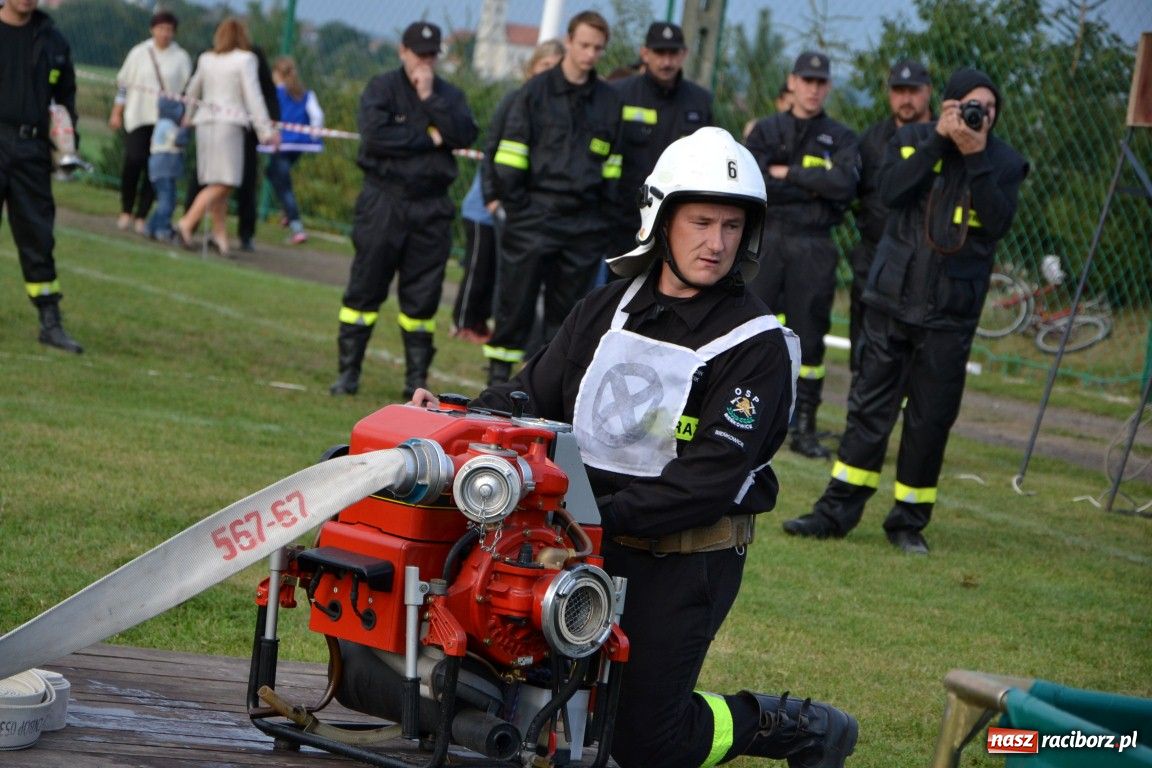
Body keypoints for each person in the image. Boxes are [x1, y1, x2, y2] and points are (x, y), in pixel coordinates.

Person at [411, 127, 857, 768]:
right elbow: (531, 394)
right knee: (502, 674)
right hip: (580, 542)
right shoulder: (607, 307)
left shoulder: (756, 345)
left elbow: (706, 481)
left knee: (646, 742)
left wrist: (586, 522)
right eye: (701, 222)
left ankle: (789, 726)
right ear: (662, 219)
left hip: (680, 562)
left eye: (733, 226)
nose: (717, 243)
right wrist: (456, 415)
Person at [783, 67, 1029, 554]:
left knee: (929, 420)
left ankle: (907, 522)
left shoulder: (1004, 161)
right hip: (892, 303)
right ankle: (835, 512)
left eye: (990, 109)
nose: (981, 116)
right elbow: (891, 191)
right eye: (970, 106)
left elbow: (998, 222)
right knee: (867, 412)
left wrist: (975, 156)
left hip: (950, 315)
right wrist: (939, 143)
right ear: (948, 107)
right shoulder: (914, 140)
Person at [329, 21, 478, 398]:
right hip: (384, 200)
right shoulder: (382, 88)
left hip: (431, 206)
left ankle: (416, 382)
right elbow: (376, 138)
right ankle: (348, 374)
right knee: (365, 288)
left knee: (422, 298)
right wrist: (429, 137)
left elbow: (464, 134)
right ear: (403, 51)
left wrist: (430, 100)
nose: (425, 61)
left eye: (431, 55)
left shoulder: (448, 95)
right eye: (419, 53)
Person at [483, 10, 623, 386]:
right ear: (568, 42)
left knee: (568, 316)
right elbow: (510, 152)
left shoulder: (609, 101)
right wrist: (517, 205)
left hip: (584, 223)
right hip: (534, 214)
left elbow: (613, 164)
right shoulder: (536, 91)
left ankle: (545, 386)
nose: (591, 54)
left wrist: (601, 216)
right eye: (584, 45)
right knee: (515, 304)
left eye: (598, 48)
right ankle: (498, 380)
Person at [744, 51, 858, 460]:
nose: (812, 88)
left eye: (820, 81)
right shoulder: (765, 130)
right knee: (751, 327)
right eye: (806, 80)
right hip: (769, 238)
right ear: (792, 82)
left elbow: (844, 185)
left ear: (827, 86)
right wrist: (813, 185)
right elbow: (754, 179)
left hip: (814, 244)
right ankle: (741, 412)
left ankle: (804, 426)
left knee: (810, 337)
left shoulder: (841, 137)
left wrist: (786, 173)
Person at [453, 39, 565, 345]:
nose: (549, 74)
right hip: (487, 208)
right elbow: (493, 151)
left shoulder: (558, 109)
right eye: (545, 66)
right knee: (479, 268)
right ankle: (464, 322)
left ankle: (493, 327)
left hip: (519, 211)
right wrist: (492, 198)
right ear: (531, 68)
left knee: (505, 276)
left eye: (556, 69)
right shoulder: (517, 100)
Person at [0, 0, 83, 353]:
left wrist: (67, 144)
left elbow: (65, 99)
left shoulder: (53, 40)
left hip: (31, 150)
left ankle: (50, 322)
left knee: (38, 236)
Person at [846, 58, 933, 366]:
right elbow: (850, 190)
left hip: (923, 261)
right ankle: (859, 391)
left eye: (913, 90)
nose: (905, 99)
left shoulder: (942, 138)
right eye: (899, 90)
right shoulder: (871, 139)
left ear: (928, 92)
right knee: (864, 341)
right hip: (872, 255)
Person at [607, 21, 713, 258]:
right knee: (621, 290)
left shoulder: (700, 101)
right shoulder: (619, 94)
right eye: (659, 52)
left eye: (673, 53)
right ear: (644, 53)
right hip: (623, 216)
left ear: (684, 54)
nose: (666, 61)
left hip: (677, 215)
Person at [175, 18, 279, 258]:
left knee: (215, 181)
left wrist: (188, 116)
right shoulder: (247, 60)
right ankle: (187, 222)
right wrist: (266, 131)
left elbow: (192, 89)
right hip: (228, 126)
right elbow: (254, 96)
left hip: (204, 124)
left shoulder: (206, 58)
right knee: (227, 182)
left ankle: (220, 238)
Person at [109, 10, 192, 236]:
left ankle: (142, 215)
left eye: (169, 29)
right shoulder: (139, 52)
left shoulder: (181, 58)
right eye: (161, 28)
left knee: (155, 169)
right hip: (138, 116)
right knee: (134, 160)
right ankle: (126, 209)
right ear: (152, 29)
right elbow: (124, 85)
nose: (165, 33)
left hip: (165, 123)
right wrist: (117, 112)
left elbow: (187, 91)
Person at [260, 55, 323, 245]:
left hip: (282, 144)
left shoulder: (276, 93)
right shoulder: (306, 94)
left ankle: (296, 227)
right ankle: (288, 213)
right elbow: (317, 116)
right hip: (299, 145)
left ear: (277, 74)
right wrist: (313, 137)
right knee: (272, 173)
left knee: (284, 186)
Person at [145, 96, 187, 242]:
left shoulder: (162, 123)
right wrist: (186, 128)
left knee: (167, 200)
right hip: (163, 169)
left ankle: (152, 226)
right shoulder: (167, 125)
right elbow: (178, 140)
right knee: (166, 202)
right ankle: (162, 229)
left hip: (163, 169)